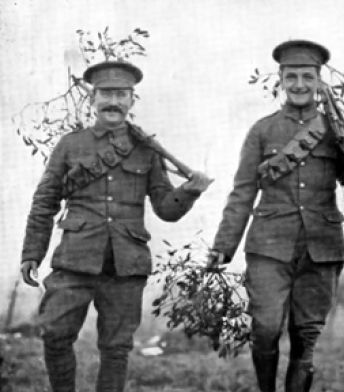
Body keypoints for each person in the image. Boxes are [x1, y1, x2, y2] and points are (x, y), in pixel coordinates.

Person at [20, 60, 212, 392]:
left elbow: (166, 209)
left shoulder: (147, 151)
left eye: (121, 94)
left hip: (126, 264)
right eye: (106, 93)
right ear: (92, 98)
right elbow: (44, 202)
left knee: (116, 348)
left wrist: (190, 190)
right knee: (54, 334)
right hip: (75, 259)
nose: (113, 101)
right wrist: (32, 254)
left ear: (132, 100)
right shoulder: (70, 145)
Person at [208, 40, 344, 392]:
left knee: (306, 337)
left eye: (307, 76)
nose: (299, 84)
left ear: (319, 81)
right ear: (280, 80)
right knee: (265, 328)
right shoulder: (262, 130)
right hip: (268, 247)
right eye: (292, 77)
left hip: (321, 248)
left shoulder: (335, 129)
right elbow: (242, 192)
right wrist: (223, 247)